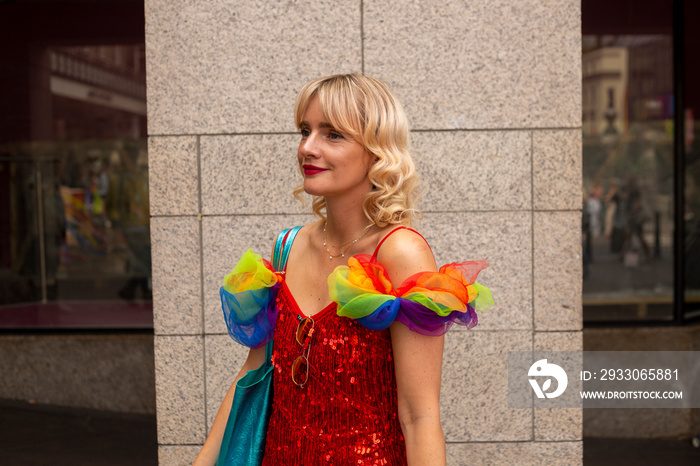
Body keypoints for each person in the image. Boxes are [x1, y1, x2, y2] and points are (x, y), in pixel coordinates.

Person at [194, 74, 492, 465]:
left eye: (332, 134)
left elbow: (419, 416)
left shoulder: (400, 252)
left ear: (376, 151)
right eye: (305, 130)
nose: (307, 147)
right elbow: (250, 375)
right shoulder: (285, 248)